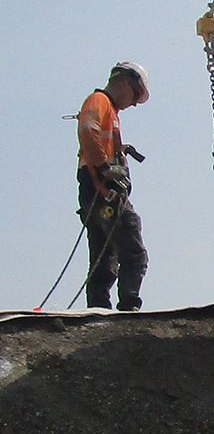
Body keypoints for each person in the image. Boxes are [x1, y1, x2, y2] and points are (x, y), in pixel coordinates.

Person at [76, 62, 151, 311]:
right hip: (104, 193)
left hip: (93, 195)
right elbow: (88, 130)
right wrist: (106, 171)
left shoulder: (110, 111)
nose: (134, 103)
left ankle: (98, 311)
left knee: (104, 254)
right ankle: (129, 305)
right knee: (133, 251)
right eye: (135, 95)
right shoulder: (99, 101)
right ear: (122, 82)